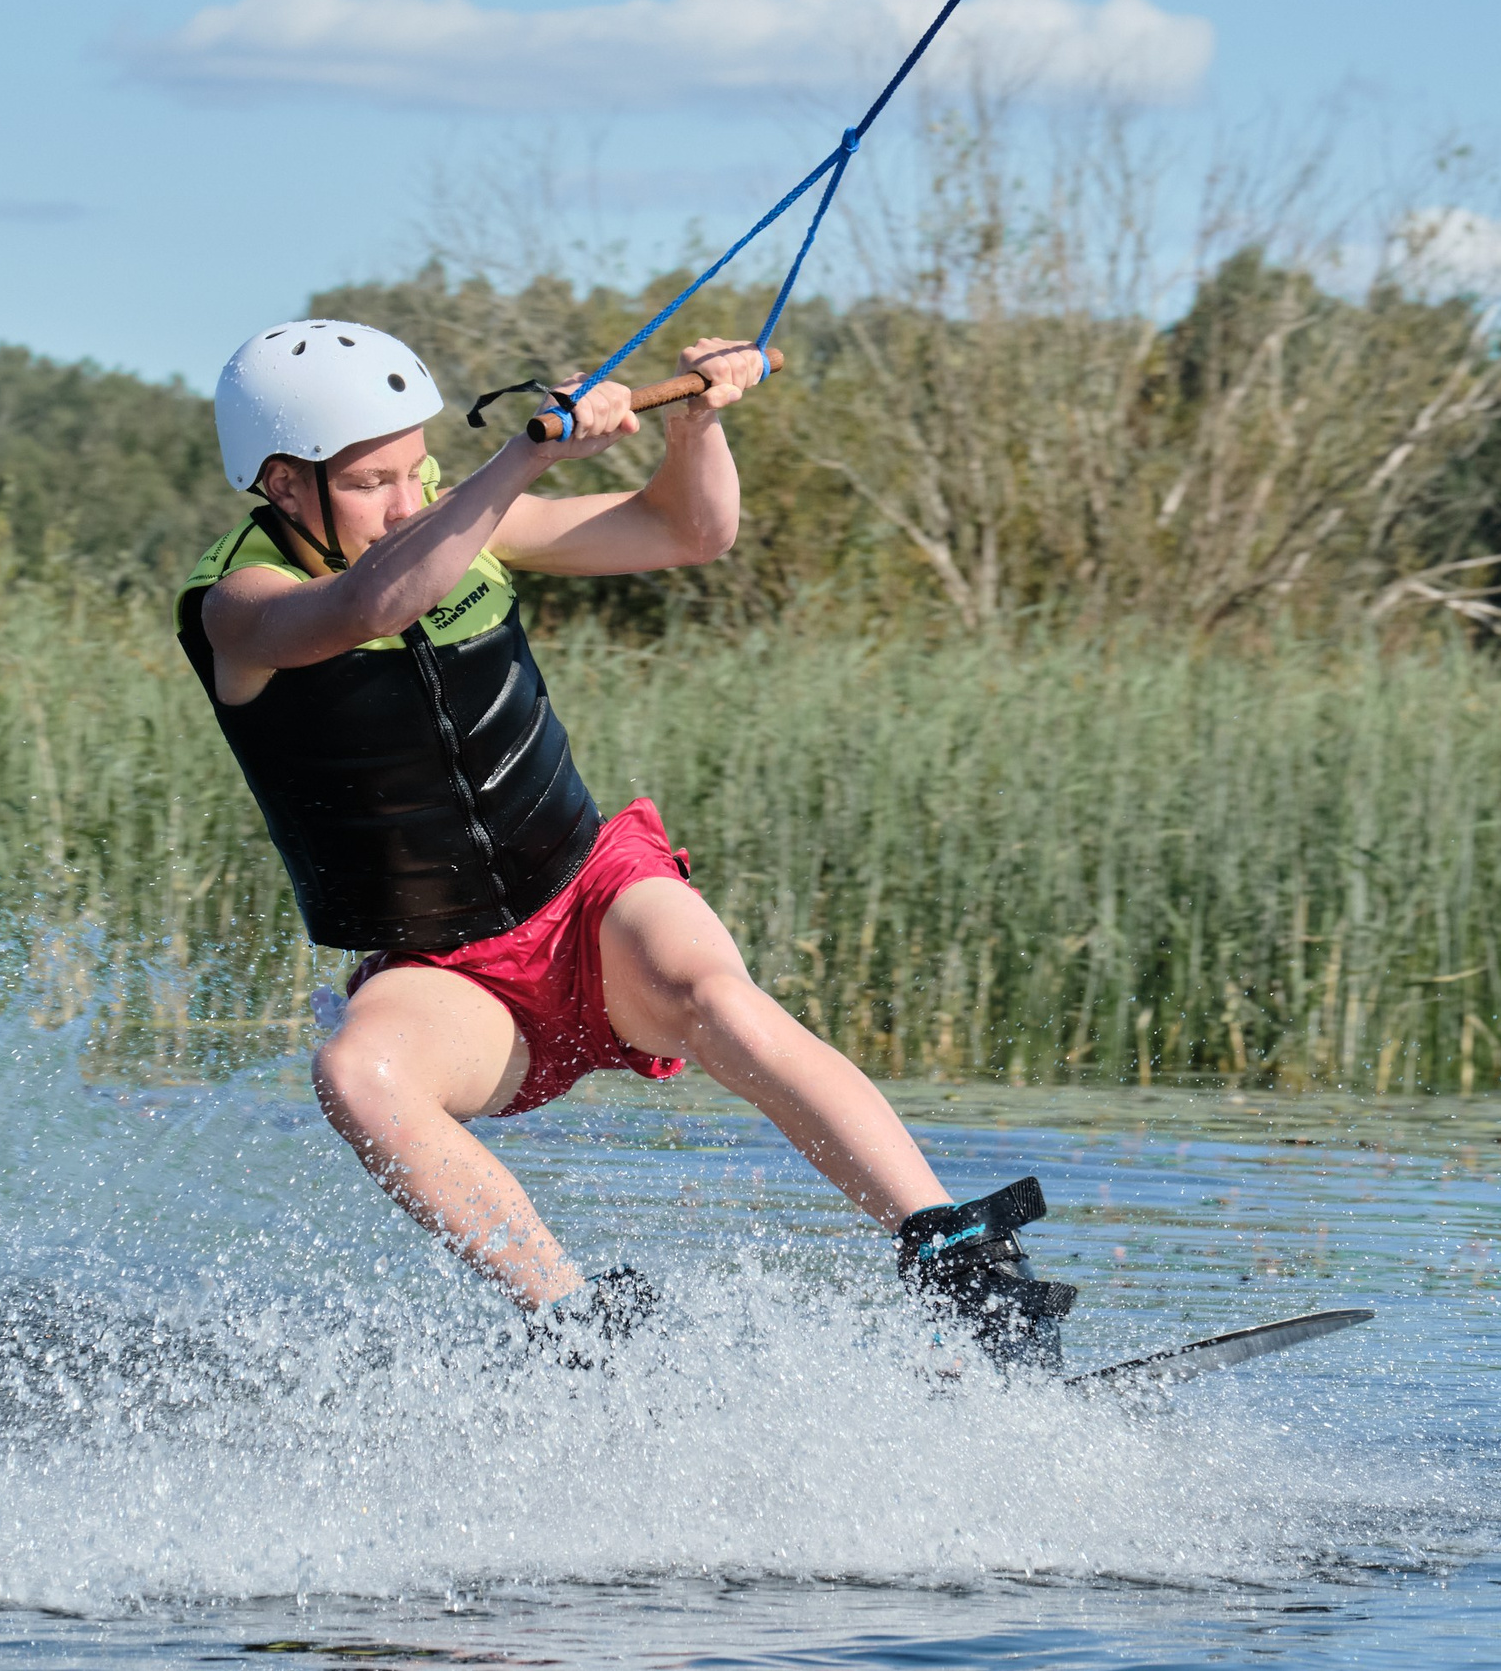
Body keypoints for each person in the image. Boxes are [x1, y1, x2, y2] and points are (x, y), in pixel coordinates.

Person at [176, 318, 1074, 1362]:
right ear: (285, 486)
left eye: (421, 471)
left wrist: (693, 425)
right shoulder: (236, 606)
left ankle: (957, 1262)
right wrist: (526, 455)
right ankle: (585, 1333)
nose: (410, 501)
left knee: (709, 992)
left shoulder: (464, 524)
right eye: (375, 481)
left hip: (591, 898)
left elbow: (688, 533)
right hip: (449, 971)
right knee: (357, 1074)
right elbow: (375, 601)